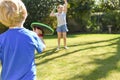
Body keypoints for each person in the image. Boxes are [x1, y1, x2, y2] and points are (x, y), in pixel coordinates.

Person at [0, 0, 45, 80]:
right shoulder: (32, 35)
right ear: (24, 14)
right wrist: (40, 35)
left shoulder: (1, 39)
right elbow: (42, 48)